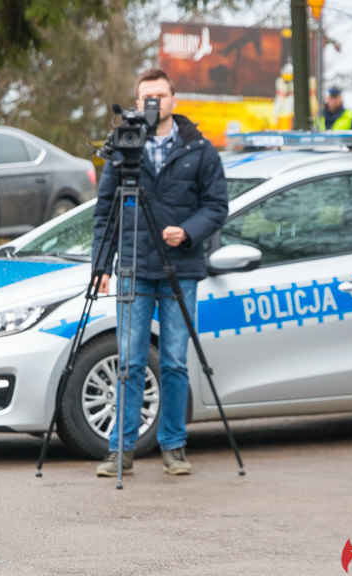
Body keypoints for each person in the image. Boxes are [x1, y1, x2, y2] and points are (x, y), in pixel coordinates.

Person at [91, 68, 228, 477]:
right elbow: (104, 213)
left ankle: (173, 445)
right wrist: (101, 264)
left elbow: (217, 207)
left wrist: (188, 232)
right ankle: (121, 450)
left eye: (160, 96)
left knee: (173, 362)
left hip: (180, 269)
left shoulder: (199, 149)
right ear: (136, 103)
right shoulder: (123, 147)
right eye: (145, 98)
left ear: (174, 99)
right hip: (133, 266)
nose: (153, 104)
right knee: (130, 362)